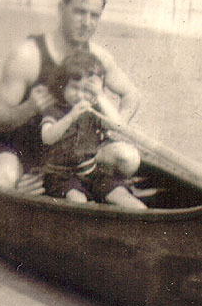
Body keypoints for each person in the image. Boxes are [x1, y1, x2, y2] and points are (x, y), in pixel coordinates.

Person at [0, 0, 140, 189]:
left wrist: (115, 128)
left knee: (129, 159)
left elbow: (131, 94)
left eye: (94, 15)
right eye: (79, 12)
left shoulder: (98, 57)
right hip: (24, 147)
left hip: (75, 151)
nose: (87, 23)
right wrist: (29, 108)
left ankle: (92, 185)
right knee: (3, 178)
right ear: (61, 9)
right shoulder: (28, 55)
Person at [41, 52, 146, 209]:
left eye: (88, 91)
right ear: (62, 86)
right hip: (60, 177)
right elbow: (47, 137)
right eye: (75, 88)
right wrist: (71, 116)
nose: (81, 95)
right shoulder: (55, 110)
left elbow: (118, 127)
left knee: (131, 203)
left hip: (92, 172)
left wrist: (101, 96)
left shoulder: (94, 109)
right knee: (78, 202)